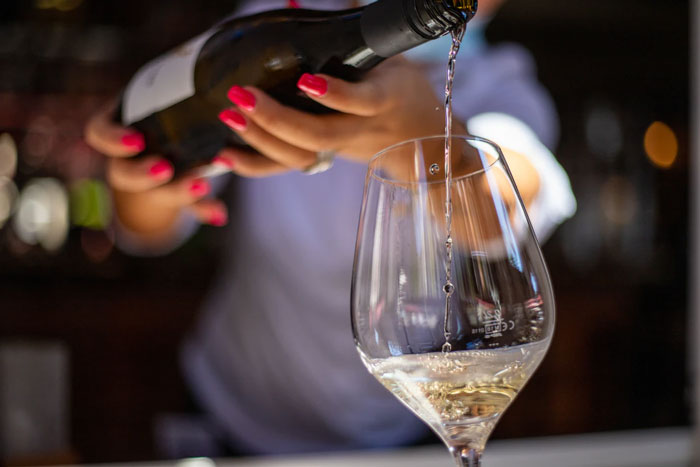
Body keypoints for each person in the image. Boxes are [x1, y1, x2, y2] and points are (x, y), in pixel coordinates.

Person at [84, 0, 576, 457]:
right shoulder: (288, 22)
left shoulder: (499, 81)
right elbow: (146, 230)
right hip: (233, 415)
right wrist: (146, 171)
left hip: (399, 431)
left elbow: (503, 207)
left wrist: (429, 142)